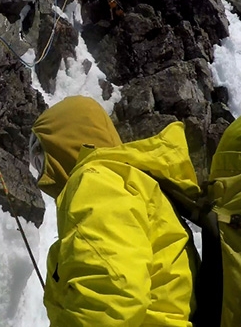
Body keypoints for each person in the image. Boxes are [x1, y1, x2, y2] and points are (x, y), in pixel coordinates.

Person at [29, 95, 198, 326]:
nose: (41, 174)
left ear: (64, 146)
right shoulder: (126, 182)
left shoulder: (97, 181)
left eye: (41, 160)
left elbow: (110, 297)